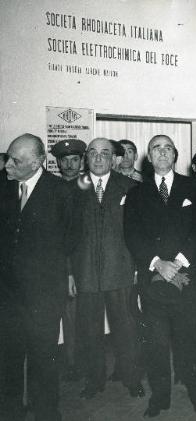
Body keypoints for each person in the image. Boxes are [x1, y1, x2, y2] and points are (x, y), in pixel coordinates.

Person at [124, 135, 196, 417]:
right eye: (156, 149)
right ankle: (159, 398)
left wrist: (179, 262)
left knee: (191, 342)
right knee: (156, 346)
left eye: (168, 148)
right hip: (153, 281)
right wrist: (157, 263)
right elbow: (132, 235)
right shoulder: (137, 192)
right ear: (148, 157)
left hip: (187, 281)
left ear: (175, 155)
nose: (162, 153)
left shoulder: (194, 187)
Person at [0, 133, 74, 421]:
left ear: (38, 162)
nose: (7, 167)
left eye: (15, 162)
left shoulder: (61, 191)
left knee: (44, 357)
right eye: (7, 159)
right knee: (8, 356)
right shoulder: (2, 185)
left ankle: (46, 411)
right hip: (7, 293)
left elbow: (71, 238)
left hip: (44, 293)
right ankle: (10, 411)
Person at [70, 138, 144, 399]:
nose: (99, 158)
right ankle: (94, 380)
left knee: (127, 329)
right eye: (93, 153)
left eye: (105, 154)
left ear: (114, 159)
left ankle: (132, 378)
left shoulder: (132, 187)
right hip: (86, 271)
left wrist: (138, 266)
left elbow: (140, 232)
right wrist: (70, 271)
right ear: (86, 158)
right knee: (89, 331)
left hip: (121, 270)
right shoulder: (73, 188)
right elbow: (65, 235)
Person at [49, 139, 87, 382]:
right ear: (58, 162)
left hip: (87, 262)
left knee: (84, 317)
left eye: (75, 159)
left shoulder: (88, 186)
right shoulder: (51, 188)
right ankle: (71, 364)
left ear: (82, 160)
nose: (70, 165)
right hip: (61, 264)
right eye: (65, 160)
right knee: (66, 317)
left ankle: (83, 364)